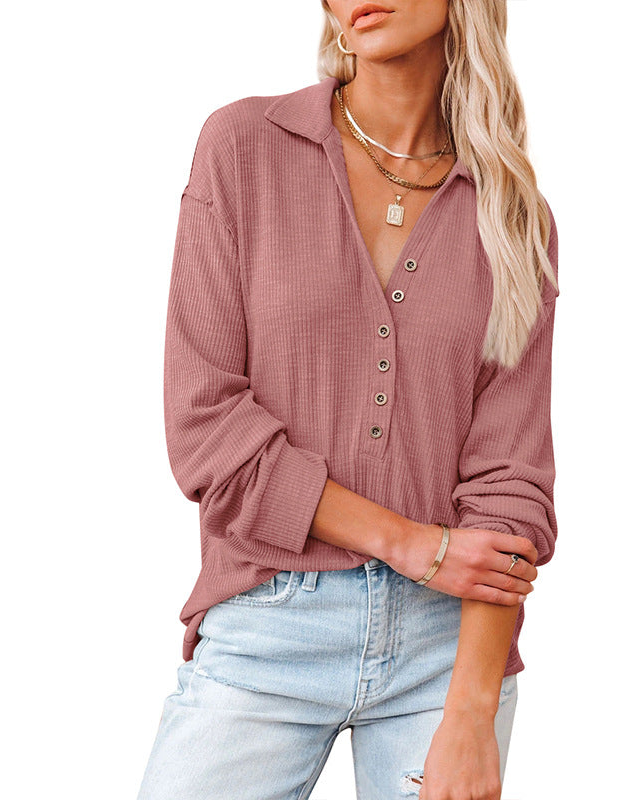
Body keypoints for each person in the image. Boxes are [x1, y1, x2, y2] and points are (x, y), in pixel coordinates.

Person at [136, 1, 560, 799]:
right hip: (266, 619)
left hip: (447, 650)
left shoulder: (512, 217)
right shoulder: (244, 148)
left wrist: (471, 712)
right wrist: (412, 543)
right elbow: (206, 429)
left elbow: (511, 488)